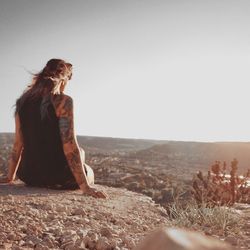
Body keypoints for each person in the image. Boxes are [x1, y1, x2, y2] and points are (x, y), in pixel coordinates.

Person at [0, 58, 107, 199]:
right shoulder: (63, 101)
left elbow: (18, 143)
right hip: (60, 177)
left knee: (80, 152)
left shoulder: (22, 102)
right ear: (64, 78)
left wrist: (10, 176)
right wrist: (86, 187)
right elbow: (69, 145)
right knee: (85, 161)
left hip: (29, 175)